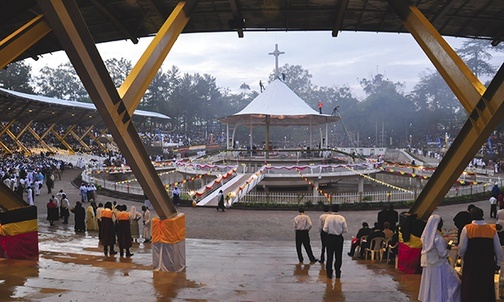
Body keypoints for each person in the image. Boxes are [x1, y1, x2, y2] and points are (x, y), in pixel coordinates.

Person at [458, 207, 503, 302]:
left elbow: (462, 248)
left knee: (471, 286)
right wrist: (498, 263)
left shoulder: (467, 229)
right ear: (482, 216)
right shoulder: (491, 229)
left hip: (471, 263)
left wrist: (463, 258)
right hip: (487, 263)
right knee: (486, 287)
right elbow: (498, 249)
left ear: (471, 216)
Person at [418, 214, 461, 302]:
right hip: (439, 265)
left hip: (429, 264)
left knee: (431, 285)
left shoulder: (425, 237)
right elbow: (443, 254)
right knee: (453, 283)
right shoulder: (438, 238)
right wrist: (448, 248)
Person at [323, 204, 347, 278]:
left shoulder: (328, 218)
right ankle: (337, 271)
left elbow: (325, 229)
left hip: (330, 237)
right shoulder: (341, 218)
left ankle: (329, 272)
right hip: (338, 238)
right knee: (338, 256)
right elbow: (345, 230)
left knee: (329, 256)